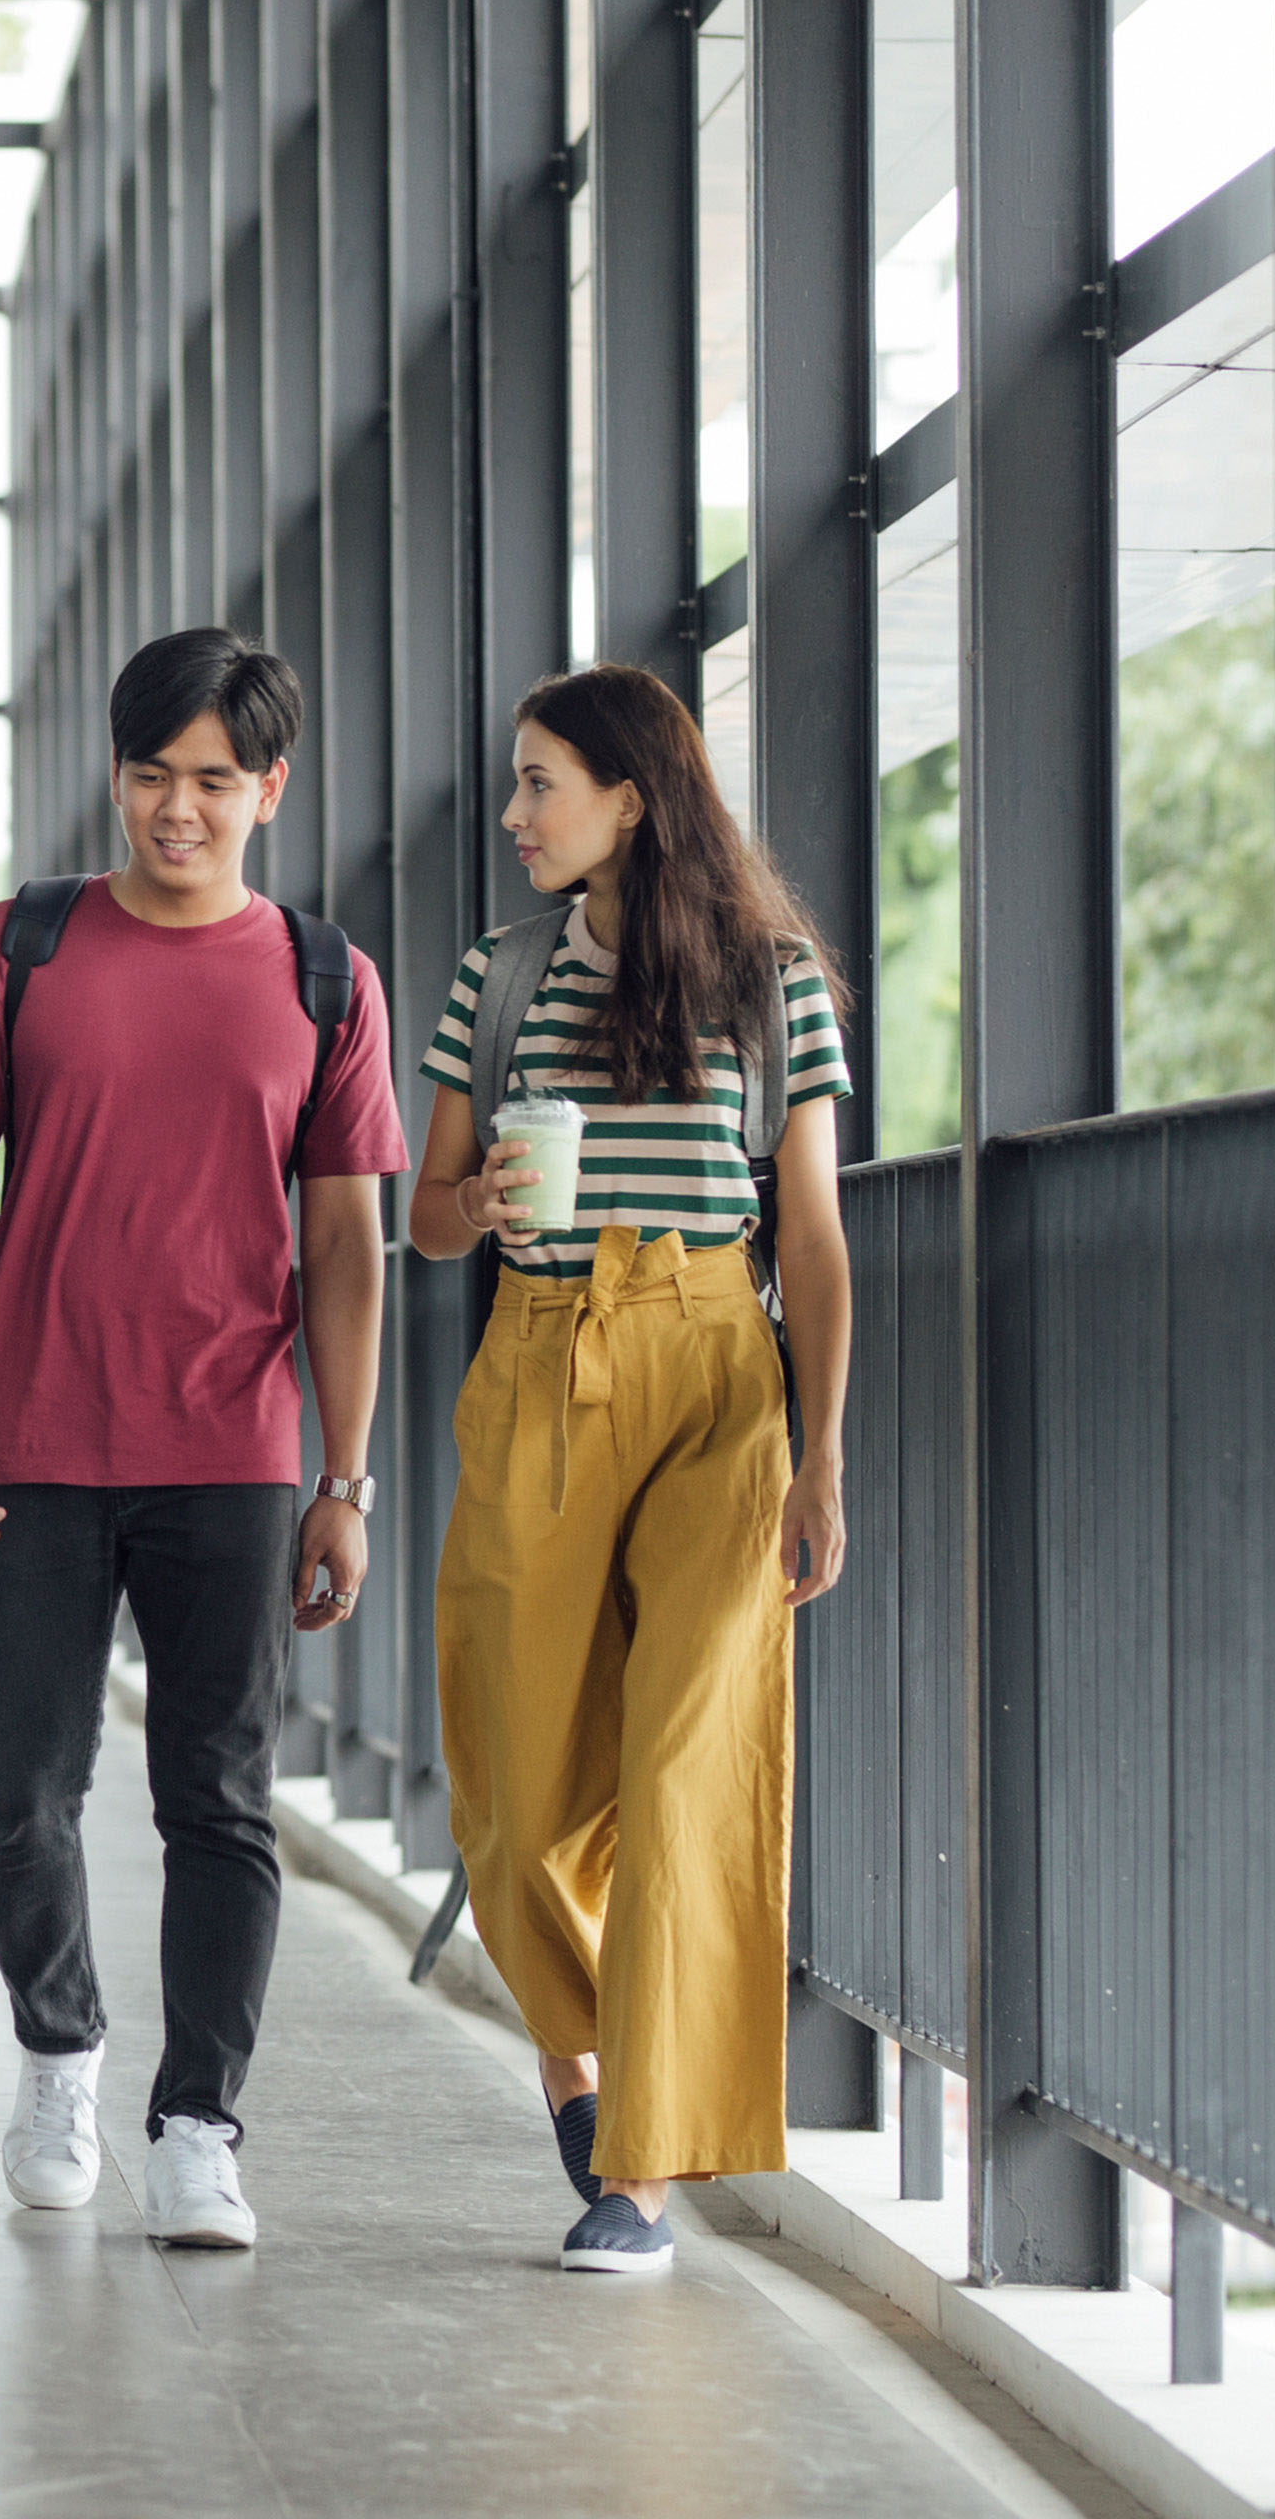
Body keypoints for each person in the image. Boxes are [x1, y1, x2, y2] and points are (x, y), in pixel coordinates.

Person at [0, 626, 408, 2251]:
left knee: (220, 1798)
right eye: (146, 776)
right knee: (17, 1796)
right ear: (115, 776)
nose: (173, 811)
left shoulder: (329, 980)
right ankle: (61, 2051)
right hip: (38, 1437)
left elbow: (346, 1243)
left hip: (237, 1451)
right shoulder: (20, 948)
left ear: (270, 787)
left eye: (208, 782)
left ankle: (199, 2122)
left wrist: (346, 1477)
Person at [403, 663, 854, 2276]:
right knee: (518, 1799)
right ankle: (579, 2073)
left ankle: (642, 2175)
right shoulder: (498, 979)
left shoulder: (770, 980)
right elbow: (423, 1210)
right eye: (519, 782)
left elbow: (808, 1233)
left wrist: (821, 1461)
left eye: (540, 782)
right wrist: (482, 1218)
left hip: (718, 1367)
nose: (517, 813)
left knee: (687, 1776)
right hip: (542, 1351)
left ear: (631, 798)